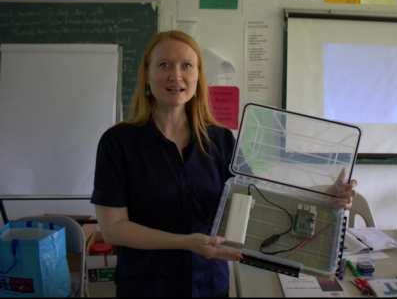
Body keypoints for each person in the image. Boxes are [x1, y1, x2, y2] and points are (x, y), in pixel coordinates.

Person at [91, 30, 358, 298]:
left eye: (186, 65)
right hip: (146, 288)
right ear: (147, 74)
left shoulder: (220, 140)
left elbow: (260, 200)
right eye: (164, 65)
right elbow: (113, 229)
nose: (176, 75)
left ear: (198, 76)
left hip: (210, 286)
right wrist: (185, 243)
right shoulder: (117, 143)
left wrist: (327, 194)